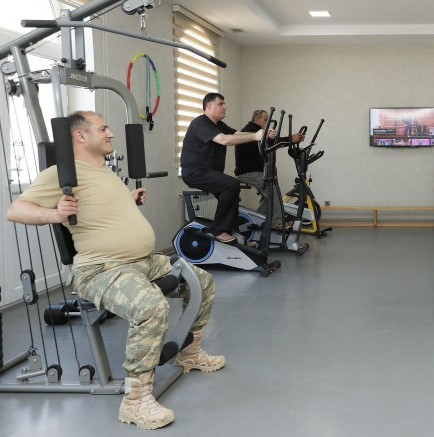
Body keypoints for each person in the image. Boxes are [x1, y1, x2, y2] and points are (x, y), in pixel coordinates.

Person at [6, 111, 223, 430]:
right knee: (151, 306)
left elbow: (103, 212)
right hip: (102, 269)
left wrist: (130, 200)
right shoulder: (62, 173)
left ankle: (189, 353)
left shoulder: (104, 171)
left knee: (202, 281)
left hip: (143, 261)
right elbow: (16, 210)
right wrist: (54, 214)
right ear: (81, 136)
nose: (110, 134)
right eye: (103, 128)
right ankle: (135, 401)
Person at [180, 93, 267, 244]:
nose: (225, 107)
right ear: (209, 106)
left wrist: (261, 134)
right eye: (221, 104)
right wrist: (255, 137)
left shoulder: (219, 125)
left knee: (233, 197)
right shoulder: (200, 122)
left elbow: (238, 134)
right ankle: (218, 231)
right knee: (231, 184)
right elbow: (224, 140)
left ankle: (235, 236)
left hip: (210, 172)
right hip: (195, 172)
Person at [234, 109, 303, 225]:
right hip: (248, 173)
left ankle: (257, 221)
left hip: (256, 171)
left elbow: (270, 144)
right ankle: (278, 223)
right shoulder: (251, 131)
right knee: (272, 192)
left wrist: (291, 140)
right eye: (266, 119)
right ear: (256, 119)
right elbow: (271, 143)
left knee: (268, 197)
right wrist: (290, 139)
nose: (268, 122)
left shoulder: (256, 131)